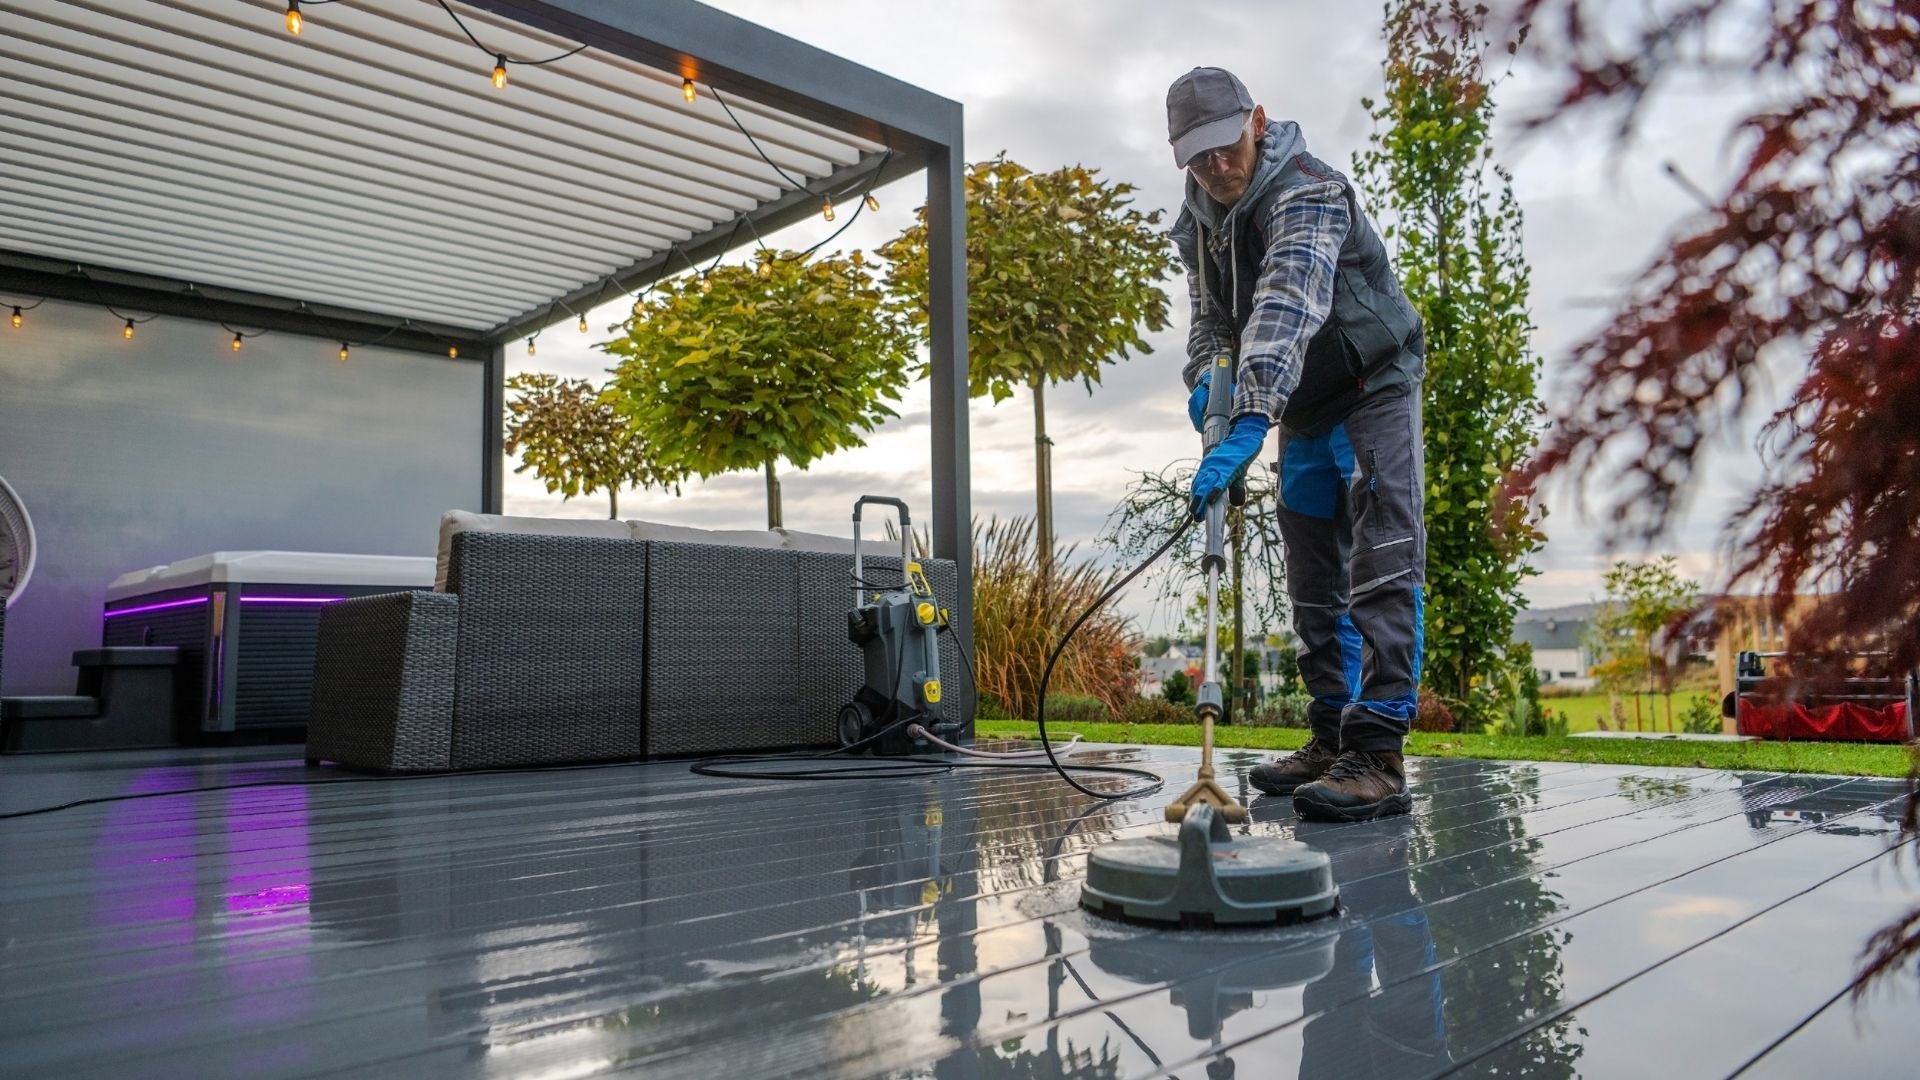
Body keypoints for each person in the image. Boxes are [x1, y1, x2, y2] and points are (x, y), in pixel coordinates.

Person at [1167, 66, 1427, 822]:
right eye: (1198, 156)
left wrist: (1250, 416)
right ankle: (1331, 735)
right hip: (1302, 404)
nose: (1217, 165)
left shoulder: (1309, 191)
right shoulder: (1199, 223)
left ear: (1257, 121)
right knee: (1313, 574)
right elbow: (1213, 322)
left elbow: (1287, 300)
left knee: (1382, 557)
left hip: (1372, 382)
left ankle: (1377, 754)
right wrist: (1209, 387)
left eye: (1226, 145)